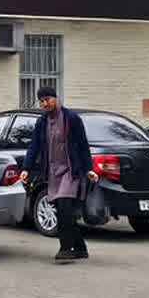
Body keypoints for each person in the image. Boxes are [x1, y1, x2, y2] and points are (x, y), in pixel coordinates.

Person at [22, 85, 97, 263]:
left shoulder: (71, 118)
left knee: (64, 206)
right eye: (41, 101)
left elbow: (82, 144)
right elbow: (34, 147)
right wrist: (26, 168)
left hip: (70, 171)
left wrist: (89, 168)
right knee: (63, 211)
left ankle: (66, 248)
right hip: (53, 172)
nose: (45, 104)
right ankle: (80, 248)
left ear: (56, 98)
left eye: (47, 99)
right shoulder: (42, 122)